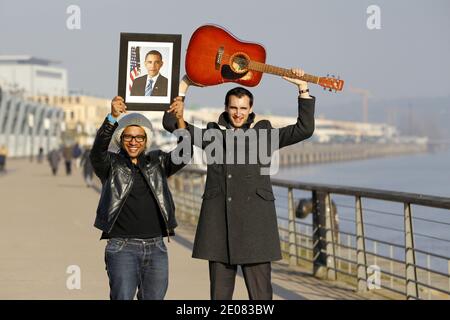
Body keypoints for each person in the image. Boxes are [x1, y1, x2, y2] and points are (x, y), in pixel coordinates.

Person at [163, 69, 315, 300]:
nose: (238, 113)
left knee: (261, 298)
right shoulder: (212, 135)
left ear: (251, 110)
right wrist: (184, 86)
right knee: (219, 298)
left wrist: (302, 88)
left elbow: (304, 129)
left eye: (243, 108)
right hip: (219, 230)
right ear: (226, 108)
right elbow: (171, 123)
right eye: (233, 108)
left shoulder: (264, 135)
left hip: (257, 231)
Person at [90, 96, 189, 300]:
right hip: (122, 248)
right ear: (121, 138)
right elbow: (97, 152)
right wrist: (112, 118)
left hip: (157, 248)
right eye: (128, 137)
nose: (134, 142)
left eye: (139, 137)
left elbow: (184, 153)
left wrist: (180, 120)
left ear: (146, 140)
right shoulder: (111, 164)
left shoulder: (158, 161)